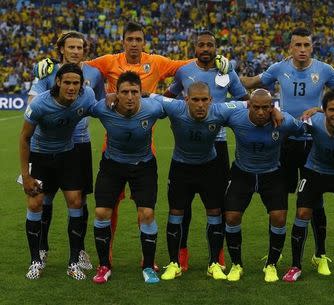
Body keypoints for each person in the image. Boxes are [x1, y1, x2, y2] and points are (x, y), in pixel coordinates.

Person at [34, 22, 230, 267]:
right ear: (123, 41)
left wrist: (216, 59)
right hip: (112, 144)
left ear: (143, 42)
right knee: (109, 206)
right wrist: (52, 62)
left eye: (139, 39)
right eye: (130, 39)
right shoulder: (108, 61)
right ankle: (108, 258)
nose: (134, 44)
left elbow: (187, 66)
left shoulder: (156, 62)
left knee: (145, 207)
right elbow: (77, 65)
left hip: (146, 144)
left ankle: (147, 260)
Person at [240, 28, 334, 276]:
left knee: (315, 201)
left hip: (313, 140)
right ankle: (276, 254)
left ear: (312, 47)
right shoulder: (279, 68)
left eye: (306, 45)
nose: (302, 49)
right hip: (286, 140)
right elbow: (253, 84)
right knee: (279, 198)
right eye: (297, 45)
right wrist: (226, 74)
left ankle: (320, 254)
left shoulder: (324, 70)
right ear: (290, 47)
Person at [163, 30, 249, 271]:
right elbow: (169, 95)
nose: (205, 49)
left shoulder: (227, 70)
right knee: (183, 205)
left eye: (209, 45)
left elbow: (244, 99)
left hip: (217, 142)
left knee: (217, 203)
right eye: (201, 44)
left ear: (215, 47)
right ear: (195, 47)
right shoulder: (184, 71)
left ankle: (217, 256)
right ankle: (181, 254)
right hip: (189, 140)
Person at [149, 82, 244, 281]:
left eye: (204, 100)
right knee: (176, 213)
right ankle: (174, 263)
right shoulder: (175, 108)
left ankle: (213, 264)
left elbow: (250, 104)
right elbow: (149, 96)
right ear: (186, 100)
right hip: (180, 168)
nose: (200, 104)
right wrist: (114, 97)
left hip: (209, 168)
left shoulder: (220, 110)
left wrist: (276, 112)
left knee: (215, 213)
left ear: (211, 100)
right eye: (195, 100)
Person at [28, 31, 105, 271]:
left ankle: (79, 251)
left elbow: (99, 105)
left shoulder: (94, 73)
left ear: (85, 50)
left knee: (79, 199)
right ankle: (41, 247)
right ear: (62, 49)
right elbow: (33, 102)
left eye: (79, 47)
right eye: (70, 47)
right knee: (45, 198)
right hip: (48, 145)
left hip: (80, 144)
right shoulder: (47, 70)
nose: (75, 51)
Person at [282, 90, 334, 285]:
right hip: (314, 171)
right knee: (303, 213)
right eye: (332, 110)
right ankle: (295, 266)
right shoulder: (313, 121)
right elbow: (293, 128)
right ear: (324, 110)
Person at [19, 63, 96, 280]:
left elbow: (99, 108)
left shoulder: (86, 96)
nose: (71, 87)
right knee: (35, 203)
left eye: (76, 83)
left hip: (67, 155)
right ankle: (36, 260)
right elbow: (24, 138)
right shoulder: (41, 104)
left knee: (76, 202)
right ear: (58, 83)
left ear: (81, 86)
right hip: (40, 157)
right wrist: (25, 175)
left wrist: (109, 100)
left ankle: (73, 262)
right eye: (67, 83)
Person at [224, 89, 307, 282]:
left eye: (265, 108)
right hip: (242, 172)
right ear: (249, 106)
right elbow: (214, 112)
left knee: (278, 218)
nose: (261, 112)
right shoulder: (236, 118)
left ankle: (271, 264)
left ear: (272, 107)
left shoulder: (283, 121)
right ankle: (236, 265)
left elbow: (303, 129)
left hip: (272, 173)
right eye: (256, 107)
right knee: (232, 217)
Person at [90, 72, 164, 284]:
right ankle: (104, 265)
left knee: (147, 214)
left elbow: (178, 107)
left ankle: (149, 266)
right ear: (116, 93)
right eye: (125, 92)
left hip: (144, 165)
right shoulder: (102, 108)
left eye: (134, 92)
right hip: (112, 165)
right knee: (102, 211)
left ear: (141, 93)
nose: (130, 96)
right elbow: (79, 107)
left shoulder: (154, 108)